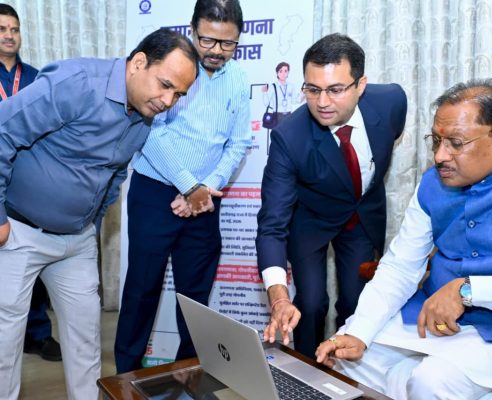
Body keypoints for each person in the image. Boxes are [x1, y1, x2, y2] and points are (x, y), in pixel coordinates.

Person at [314, 79, 492, 399]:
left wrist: (468, 290)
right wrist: (360, 331)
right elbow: (400, 266)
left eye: (455, 143)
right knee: (344, 361)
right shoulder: (432, 183)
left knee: (431, 381)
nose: (439, 156)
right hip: (428, 320)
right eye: (436, 141)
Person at [0, 28, 198, 399]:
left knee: (85, 344)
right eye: (166, 85)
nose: (168, 101)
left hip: (75, 242)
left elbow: (115, 172)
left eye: (179, 95)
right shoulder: (75, 82)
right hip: (19, 232)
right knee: (4, 346)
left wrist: (90, 222)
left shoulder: (144, 114)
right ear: (138, 63)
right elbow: (2, 130)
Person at [114, 0, 251, 373]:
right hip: (155, 193)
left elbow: (238, 143)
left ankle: (189, 377)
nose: (216, 51)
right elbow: (151, 132)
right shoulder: (171, 71)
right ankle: (126, 378)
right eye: (208, 40)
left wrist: (205, 188)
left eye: (227, 43)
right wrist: (189, 186)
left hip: (205, 201)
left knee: (196, 299)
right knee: (142, 289)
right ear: (192, 30)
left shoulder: (238, 79)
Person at [256, 33, 408, 357]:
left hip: (361, 216)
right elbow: (272, 225)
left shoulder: (391, 103)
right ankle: (305, 371)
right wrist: (279, 298)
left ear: (360, 85)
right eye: (313, 90)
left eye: (335, 90)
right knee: (310, 304)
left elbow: (389, 136)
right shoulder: (289, 138)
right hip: (311, 219)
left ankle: (346, 373)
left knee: (357, 304)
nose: (322, 102)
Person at [0, 3, 62, 362]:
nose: (9, 35)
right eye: (2, 29)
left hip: (28, 182)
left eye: (14, 29)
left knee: (31, 260)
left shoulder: (39, 79)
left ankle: (37, 334)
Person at [262, 61, 303, 126]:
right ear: (277, 73)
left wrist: (302, 93)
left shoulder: (291, 86)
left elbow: (295, 101)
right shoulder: (273, 86)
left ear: (288, 72)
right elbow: (266, 103)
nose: (283, 74)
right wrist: (264, 92)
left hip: (288, 115)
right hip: (277, 116)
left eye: (285, 71)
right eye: (280, 71)